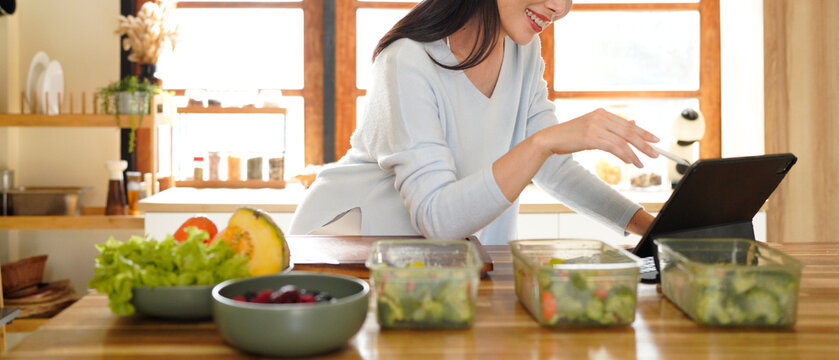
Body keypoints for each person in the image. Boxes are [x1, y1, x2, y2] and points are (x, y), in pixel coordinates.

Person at [289, 0, 661, 245]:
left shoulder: (523, 52)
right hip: (340, 249)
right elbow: (437, 220)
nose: (560, 7)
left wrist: (655, 230)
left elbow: (553, 169)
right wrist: (543, 142)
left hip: (423, 267)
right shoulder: (408, 60)